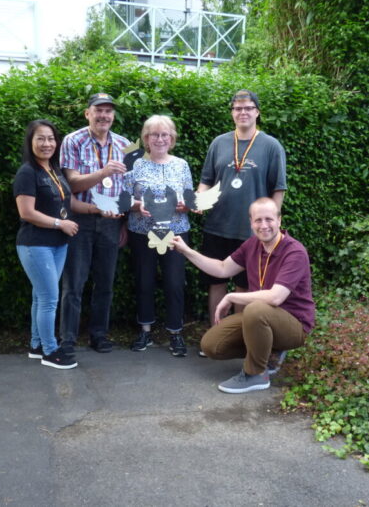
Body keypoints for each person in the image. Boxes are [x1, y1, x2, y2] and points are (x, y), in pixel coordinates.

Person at [171, 198, 314, 393]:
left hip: (293, 324)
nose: (264, 225)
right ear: (251, 222)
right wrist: (186, 251)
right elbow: (222, 269)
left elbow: (275, 298)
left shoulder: (294, 251)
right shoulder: (252, 245)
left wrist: (231, 297)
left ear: (279, 220)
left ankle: (256, 374)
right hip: (261, 319)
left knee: (256, 309)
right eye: (258, 220)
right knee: (212, 345)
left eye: (269, 219)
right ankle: (269, 352)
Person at [197, 89, 287, 334]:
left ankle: (239, 336)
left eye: (248, 108)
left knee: (244, 287)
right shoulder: (219, 142)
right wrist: (200, 201)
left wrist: (271, 224)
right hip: (217, 225)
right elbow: (206, 179)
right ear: (232, 113)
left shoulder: (271, 145)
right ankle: (216, 334)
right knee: (216, 282)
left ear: (257, 112)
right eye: (237, 108)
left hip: (251, 231)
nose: (243, 112)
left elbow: (278, 188)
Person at [14, 119, 97, 370]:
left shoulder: (54, 169)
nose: (47, 143)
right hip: (35, 244)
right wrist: (60, 225)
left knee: (41, 298)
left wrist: (96, 209)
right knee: (50, 299)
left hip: (58, 244)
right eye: (40, 138)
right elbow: (26, 212)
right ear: (30, 142)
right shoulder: (27, 172)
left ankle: (37, 345)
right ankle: (51, 351)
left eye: (50, 138)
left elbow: (67, 204)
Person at [59, 93, 130, 354]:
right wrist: (104, 172)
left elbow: (128, 188)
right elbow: (72, 185)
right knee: (74, 283)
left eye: (108, 111)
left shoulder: (125, 144)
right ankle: (67, 339)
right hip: (80, 220)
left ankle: (99, 335)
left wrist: (124, 222)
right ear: (87, 113)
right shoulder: (73, 141)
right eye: (98, 110)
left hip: (111, 224)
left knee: (105, 283)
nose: (104, 116)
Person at [123, 115, 193, 357]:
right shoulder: (135, 164)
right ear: (146, 139)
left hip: (176, 232)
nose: (160, 139)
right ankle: (145, 329)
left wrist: (186, 204)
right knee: (144, 281)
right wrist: (136, 205)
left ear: (172, 139)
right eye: (155, 134)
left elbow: (189, 196)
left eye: (165, 135)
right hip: (142, 232)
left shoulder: (181, 164)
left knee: (174, 283)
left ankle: (175, 333)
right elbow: (123, 198)